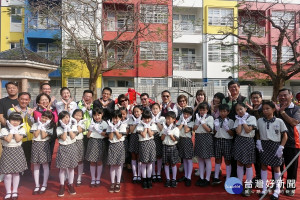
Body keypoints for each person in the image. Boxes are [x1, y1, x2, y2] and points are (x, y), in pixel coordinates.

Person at [257, 101, 288, 200]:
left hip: (275, 145)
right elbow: (257, 132)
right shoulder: (260, 120)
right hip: (264, 145)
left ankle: (277, 190)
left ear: (273, 109)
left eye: (267, 108)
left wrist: (281, 147)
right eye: (263, 109)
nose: (265, 111)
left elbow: (285, 136)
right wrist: (258, 142)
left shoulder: (279, 121)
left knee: (276, 168)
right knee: (263, 166)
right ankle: (264, 188)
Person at [277, 88, 300, 197]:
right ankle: (278, 185)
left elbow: (294, 122)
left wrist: (282, 112)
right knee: (277, 166)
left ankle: (290, 187)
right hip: (277, 143)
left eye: (285, 95)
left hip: (292, 143)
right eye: (280, 95)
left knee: (292, 168)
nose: (282, 97)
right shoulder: (275, 109)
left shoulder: (296, 109)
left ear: (291, 96)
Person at [0, 112, 27, 200]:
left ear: (20, 121)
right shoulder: (4, 130)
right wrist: (12, 130)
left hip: (18, 151)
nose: (15, 122)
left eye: (17, 120)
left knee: (16, 173)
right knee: (7, 174)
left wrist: (15, 130)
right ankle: (8, 192)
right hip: (7, 151)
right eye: (13, 120)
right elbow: (7, 139)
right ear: (9, 121)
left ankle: (15, 191)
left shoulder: (22, 129)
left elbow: (18, 139)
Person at [233, 103, 257, 197]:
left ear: (246, 109)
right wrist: (240, 121)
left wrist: (243, 121)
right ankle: (239, 183)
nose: (239, 111)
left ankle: (248, 185)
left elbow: (247, 130)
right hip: (239, 141)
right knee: (239, 162)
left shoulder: (252, 118)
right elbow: (238, 132)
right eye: (237, 110)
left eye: (241, 109)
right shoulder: (237, 119)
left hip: (248, 141)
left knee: (248, 163)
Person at [7, 92, 35, 173]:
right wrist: (19, 113)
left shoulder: (30, 110)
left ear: (29, 100)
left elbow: (32, 124)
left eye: (26, 99)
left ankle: (27, 173)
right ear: (18, 99)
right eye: (22, 99)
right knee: (16, 158)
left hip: (28, 138)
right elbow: (12, 124)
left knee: (28, 157)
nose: (24, 101)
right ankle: (16, 174)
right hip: (17, 138)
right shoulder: (11, 110)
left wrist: (29, 115)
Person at [30, 111, 54, 195]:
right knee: (36, 166)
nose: (44, 119)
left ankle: (44, 184)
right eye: (43, 117)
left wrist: (43, 126)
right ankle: (37, 185)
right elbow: (36, 135)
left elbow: (43, 136)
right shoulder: (35, 124)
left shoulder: (50, 127)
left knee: (45, 165)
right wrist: (39, 126)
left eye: (46, 118)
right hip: (36, 145)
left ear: (50, 119)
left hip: (44, 145)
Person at [56, 111, 78, 197]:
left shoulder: (73, 126)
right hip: (63, 148)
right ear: (60, 119)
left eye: (67, 117)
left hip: (72, 147)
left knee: (71, 168)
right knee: (62, 168)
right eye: (63, 118)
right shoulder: (59, 128)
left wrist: (69, 128)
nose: (66, 119)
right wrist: (65, 128)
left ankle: (70, 184)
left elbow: (73, 136)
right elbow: (64, 138)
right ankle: (62, 185)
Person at [212, 104, 234, 185]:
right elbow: (213, 132)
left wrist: (227, 128)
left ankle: (228, 177)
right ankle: (216, 176)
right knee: (217, 159)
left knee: (227, 160)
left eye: (224, 111)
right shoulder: (216, 120)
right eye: (221, 111)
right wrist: (216, 128)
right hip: (218, 140)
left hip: (227, 141)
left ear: (228, 112)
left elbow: (232, 134)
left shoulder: (231, 121)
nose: (222, 113)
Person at [193, 103, 214, 187]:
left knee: (207, 159)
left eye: (204, 110)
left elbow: (209, 129)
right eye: (200, 110)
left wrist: (203, 122)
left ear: (207, 110)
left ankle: (207, 179)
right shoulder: (198, 117)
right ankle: (201, 177)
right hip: (198, 137)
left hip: (206, 138)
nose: (202, 111)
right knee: (200, 159)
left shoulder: (210, 117)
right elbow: (194, 129)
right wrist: (197, 122)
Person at [86, 107, 108, 187]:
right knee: (92, 161)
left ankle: (98, 178)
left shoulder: (104, 123)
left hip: (100, 142)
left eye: (99, 115)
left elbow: (106, 135)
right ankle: (93, 179)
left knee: (99, 161)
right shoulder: (91, 123)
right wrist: (91, 128)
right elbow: (88, 136)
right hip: (92, 142)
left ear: (102, 114)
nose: (97, 117)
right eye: (95, 115)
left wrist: (98, 130)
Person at [34, 93, 58, 162]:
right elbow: (43, 121)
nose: (44, 101)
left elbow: (55, 119)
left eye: (46, 99)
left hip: (51, 135)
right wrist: (46, 109)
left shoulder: (53, 109)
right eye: (42, 100)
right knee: (41, 156)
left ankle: (47, 172)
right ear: (38, 102)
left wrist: (48, 108)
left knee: (49, 155)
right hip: (41, 137)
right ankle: (41, 172)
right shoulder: (36, 111)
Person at [106, 110, 127, 193]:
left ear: (120, 118)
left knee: (118, 165)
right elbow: (111, 138)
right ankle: (112, 182)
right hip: (112, 145)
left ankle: (118, 182)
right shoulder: (109, 125)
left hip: (119, 145)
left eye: (117, 118)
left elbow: (119, 137)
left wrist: (115, 129)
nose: (115, 120)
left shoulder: (123, 125)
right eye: (114, 118)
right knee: (112, 165)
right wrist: (111, 128)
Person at [136, 110, 156, 189]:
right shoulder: (139, 125)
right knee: (144, 163)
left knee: (150, 163)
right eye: (145, 118)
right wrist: (145, 127)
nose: (147, 120)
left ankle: (149, 179)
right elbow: (144, 135)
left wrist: (148, 126)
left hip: (151, 143)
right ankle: (144, 179)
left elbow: (151, 134)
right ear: (142, 118)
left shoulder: (153, 125)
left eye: (148, 118)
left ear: (151, 118)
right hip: (143, 144)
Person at [246, 91, 263, 184]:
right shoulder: (249, 110)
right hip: (252, 137)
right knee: (255, 159)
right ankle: (258, 177)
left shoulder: (264, 108)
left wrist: (254, 111)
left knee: (261, 159)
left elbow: (260, 121)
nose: (255, 99)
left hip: (262, 137)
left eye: (257, 97)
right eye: (253, 98)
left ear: (261, 98)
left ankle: (262, 179)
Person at [161, 111, 180, 188]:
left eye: (169, 119)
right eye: (167, 119)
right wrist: (165, 133)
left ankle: (174, 179)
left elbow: (175, 140)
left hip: (172, 147)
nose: (168, 120)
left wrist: (171, 134)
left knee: (173, 163)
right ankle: (168, 179)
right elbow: (162, 139)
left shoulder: (176, 129)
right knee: (166, 163)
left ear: (174, 120)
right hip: (165, 146)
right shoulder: (164, 128)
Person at [77, 90, 94, 173]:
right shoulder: (78, 104)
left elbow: (94, 117)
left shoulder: (94, 105)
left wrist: (89, 109)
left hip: (91, 132)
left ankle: (88, 167)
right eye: (86, 96)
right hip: (81, 132)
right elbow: (78, 114)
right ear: (83, 97)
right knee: (81, 151)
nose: (87, 98)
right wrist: (84, 107)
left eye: (89, 97)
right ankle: (82, 168)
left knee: (90, 150)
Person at [176, 107, 194, 187]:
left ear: (190, 115)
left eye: (187, 114)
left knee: (189, 159)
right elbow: (177, 129)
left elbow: (187, 130)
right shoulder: (181, 120)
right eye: (184, 114)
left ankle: (189, 177)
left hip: (187, 140)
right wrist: (182, 122)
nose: (185, 115)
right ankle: (186, 175)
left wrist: (185, 122)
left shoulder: (192, 122)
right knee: (184, 159)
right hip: (181, 140)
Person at [128, 105, 143, 183]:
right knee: (133, 155)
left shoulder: (144, 118)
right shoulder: (131, 119)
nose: (136, 113)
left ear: (141, 112)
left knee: (139, 156)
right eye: (135, 112)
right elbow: (131, 130)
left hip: (141, 137)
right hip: (133, 137)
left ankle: (139, 175)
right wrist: (135, 123)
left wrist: (140, 121)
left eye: (138, 111)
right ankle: (135, 175)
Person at [150, 103, 164, 182]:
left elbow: (162, 129)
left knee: (159, 156)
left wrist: (157, 121)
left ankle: (158, 173)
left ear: (159, 109)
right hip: (151, 137)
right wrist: (152, 120)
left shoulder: (162, 118)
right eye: (153, 109)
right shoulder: (149, 118)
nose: (155, 110)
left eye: (156, 109)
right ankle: (153, 173)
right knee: (152, 156)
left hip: (159, 137)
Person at [72, 109, 86, 186]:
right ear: (73, 115)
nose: (78, 117)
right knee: (70, 160)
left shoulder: (82, 123)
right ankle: (69, 177)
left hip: (79, 142)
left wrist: (78, 124)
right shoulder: (69, 122)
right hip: (71, 142)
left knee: (79, 160)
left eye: (80, 116)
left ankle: (79, 178)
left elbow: (78, 131)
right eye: (76, 115)